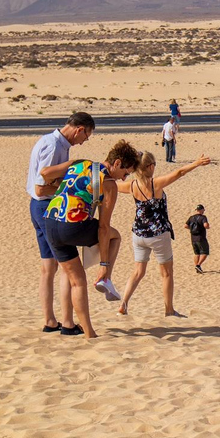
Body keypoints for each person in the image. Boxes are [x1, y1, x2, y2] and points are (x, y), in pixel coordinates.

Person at [41, 140, 140, 338]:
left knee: (77, 280)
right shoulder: (109, 183)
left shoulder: (78, 163)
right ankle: (106, 276)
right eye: (126, 173)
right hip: (73, 225)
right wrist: (103, 262)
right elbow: (103, 227)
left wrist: (61, 186)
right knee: (115, 236)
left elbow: (45, 173)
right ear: (117, 163)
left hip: (50, 222)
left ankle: (88, 333)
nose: (124, 178)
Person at [116, 152, 211, 317]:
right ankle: (169, 310)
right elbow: (179, 173)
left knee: (138, 271)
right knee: (166, 273)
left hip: (138, 234)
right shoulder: (155, 184)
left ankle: (123, 305)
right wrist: (196, 163)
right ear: (150, 166)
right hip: (158, 234)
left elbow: (112, 185)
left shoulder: (132, 185)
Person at [27, 112, 95, 334]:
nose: (84, 141)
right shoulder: (54, 146)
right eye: (86, 136)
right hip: (47, 206)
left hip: (40, 207)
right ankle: (66, 322)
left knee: (49, 267)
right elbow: (40, 186)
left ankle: (50, 320)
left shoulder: (55, 143)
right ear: (79, 129)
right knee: (67, 265)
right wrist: (68, 189)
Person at [185, 204, 210, 273]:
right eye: (203, 210)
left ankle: (197, 267)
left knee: (197, 253)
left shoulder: (191, 217)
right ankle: (198, 265)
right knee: (205, 252)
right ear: (201, 210)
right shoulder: (203, 217)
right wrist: (207, 226)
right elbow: (205, 225)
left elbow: (186, 226)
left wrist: (192, 229)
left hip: (193, 238)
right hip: (200, 237)